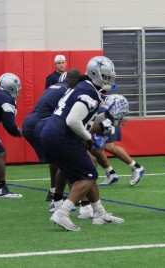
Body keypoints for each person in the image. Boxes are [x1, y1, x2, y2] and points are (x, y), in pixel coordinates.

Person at [39, 56, 124, 232]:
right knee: (88, 176)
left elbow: (85, 117)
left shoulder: (84, 87)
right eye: (106, 77)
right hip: (61, 134)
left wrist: (108, 117)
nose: (109, 80)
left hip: (52, 133)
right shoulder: (89, 91)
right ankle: (62, 212)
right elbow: (73, 121)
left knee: (89, 166)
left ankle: (99, 213)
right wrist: (89, 138)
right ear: (97, 74)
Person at [23, 69, 81, 202]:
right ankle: (75, 196)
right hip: (42, 124)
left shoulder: (54, 87)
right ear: (74, 80)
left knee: (56, 159)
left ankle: (54, 192)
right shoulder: (68, 90)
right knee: (66, 157)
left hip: (30, 124)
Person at [91, 94, 145, 186]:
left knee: (109, 146)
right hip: (102, 118)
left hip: (108, 118)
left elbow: (101, 107)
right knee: (94, 147)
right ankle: (110, 173)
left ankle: (136, 167)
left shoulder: (90, 93)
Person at [44, 54, 67, 200]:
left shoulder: (68, 78)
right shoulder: (51, 78)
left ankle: (54, 191)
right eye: (58, 63)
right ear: (55, 65)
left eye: (63, 62)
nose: (61, 65)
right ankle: (55, 191)